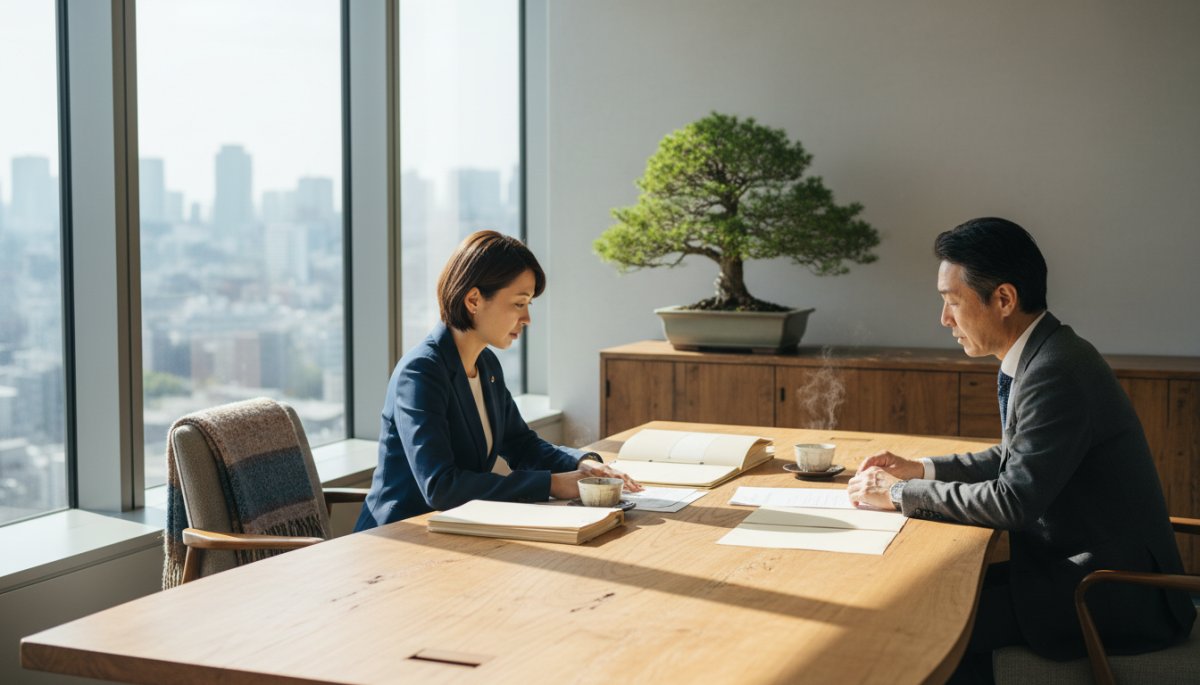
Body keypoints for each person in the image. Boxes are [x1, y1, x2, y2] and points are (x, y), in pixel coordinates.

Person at [846, 217, 1194, 683]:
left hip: (1111, 593)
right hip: (1082, 568)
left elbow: (1013, 499)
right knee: (929, 595)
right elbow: (1016, 458)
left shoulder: (1055, 370)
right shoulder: (1044, 352)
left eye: (952, 302)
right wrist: (921, 469)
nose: (944, 319)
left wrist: (899, 493)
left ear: (1004, 299)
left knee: (928, 624)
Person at [355, 230, 640, 530]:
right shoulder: (421, 372)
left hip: (459, 529)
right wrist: (552, 485)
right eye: (519, 303)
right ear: (474, 300)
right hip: (399, 537)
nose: (528, 318)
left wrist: (582, 463)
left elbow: (521, 445)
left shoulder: (486, 364)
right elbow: (441, 485)